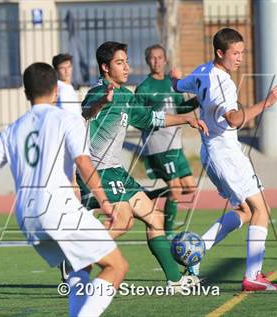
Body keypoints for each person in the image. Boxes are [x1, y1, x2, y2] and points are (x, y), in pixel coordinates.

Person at [0, 62, 128, 316]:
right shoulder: (67, 119)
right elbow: (83, 163)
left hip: (26, 216)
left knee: (81, 266)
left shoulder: (12, 129)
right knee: (116, 267)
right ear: (56, 90)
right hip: (58, 207)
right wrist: (105, 201)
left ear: (26, 93)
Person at [78, 41, 208, 291]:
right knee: (123, 221)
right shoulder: (98, 92)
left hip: (116, 170)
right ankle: (79, 257)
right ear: (105, 67)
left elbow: (152, 118)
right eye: (119, 62)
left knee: (155, 219)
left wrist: (187, 119)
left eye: (126, 61)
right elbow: (86, 113)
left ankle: (175, 281)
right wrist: (101, 103)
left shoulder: (126, 95)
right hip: (98, 171)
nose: (126, 66)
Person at [170, 28, 277, 291]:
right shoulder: (223, 83)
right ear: (220, 53)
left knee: (245, 211)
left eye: (242, 53)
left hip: (213, 153)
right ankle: (253, 275)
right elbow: (233, 119)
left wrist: (173, 78)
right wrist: (267, 102)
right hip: (226, 155)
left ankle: (195, 253)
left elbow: (179, 85)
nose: (239, 58)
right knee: (261, 211)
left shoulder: (202, 71)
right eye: (235, 53)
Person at [135, 44, 199, 238]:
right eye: (153, 58)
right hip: (159, 146)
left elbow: (179, 109)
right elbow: (136, 117)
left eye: (160, 57)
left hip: (175, 144)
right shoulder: (144, 88)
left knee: (190, 187)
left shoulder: (171, 84)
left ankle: (148, 196)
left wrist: (199, 99)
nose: (157, 61)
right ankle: (168, 232)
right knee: (176, 189)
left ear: (165, 60)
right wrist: (153, 124)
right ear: (148, 61)